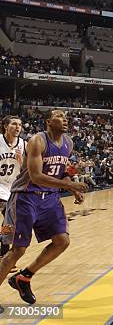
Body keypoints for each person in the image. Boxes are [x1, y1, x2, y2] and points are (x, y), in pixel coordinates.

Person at [0, 109, 88, 306]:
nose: (65, 120)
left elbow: (62, 171)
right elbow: (36, 176)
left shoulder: (69, 143)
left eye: (66, 117)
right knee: (18, 250)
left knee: (62, 241)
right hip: (26, 196)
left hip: (50, 198)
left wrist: (71, 187)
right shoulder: (38, 141)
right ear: (49, 121)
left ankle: (24, 277)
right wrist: (70, 185)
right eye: (60, 117)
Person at [0, 116, 26, 262]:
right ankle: (4, 254)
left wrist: (22, 161)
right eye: (14, 124)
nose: (18, 127)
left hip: (11, 189)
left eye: (20, 125)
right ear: (5, 126)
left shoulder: (24, 144)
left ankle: (3, 254)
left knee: (9, 224)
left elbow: (27, 168)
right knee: (8, 223)